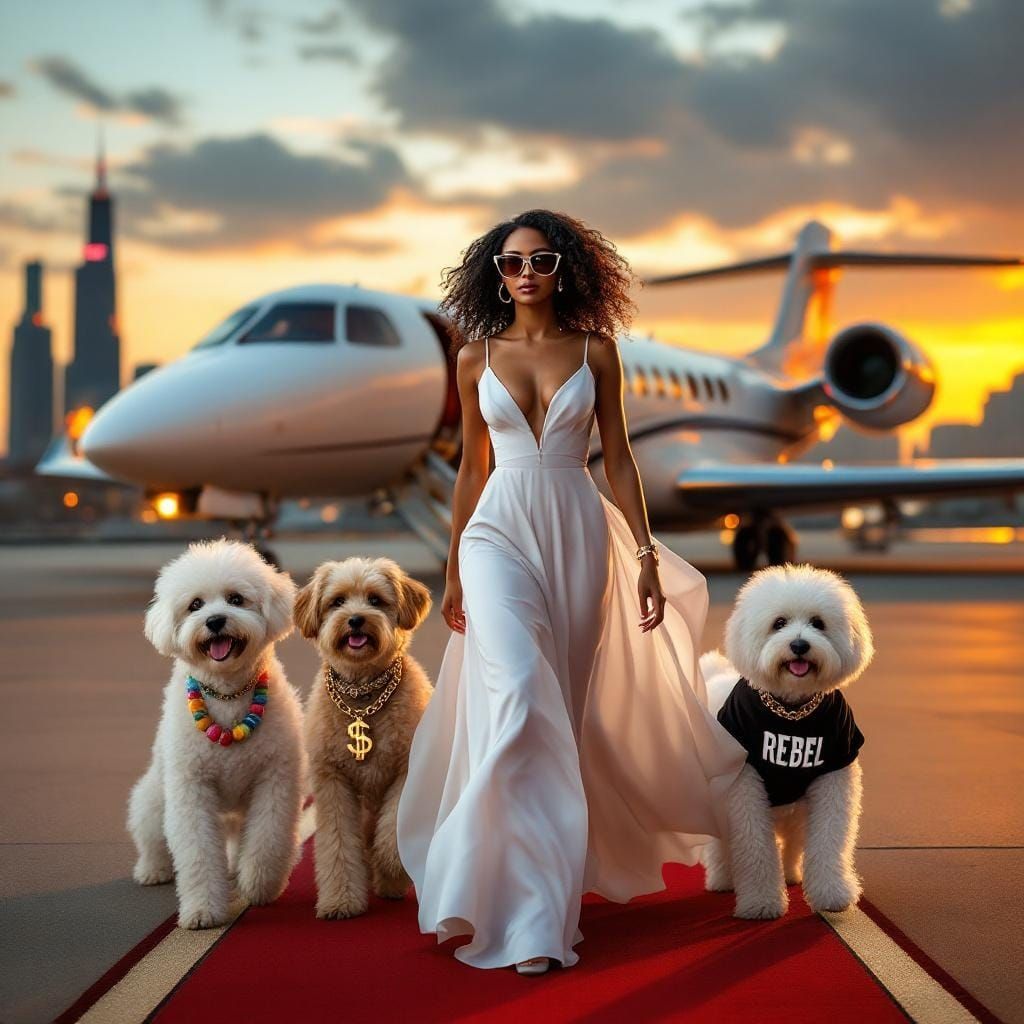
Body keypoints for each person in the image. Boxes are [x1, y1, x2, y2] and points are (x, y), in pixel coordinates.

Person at [395, 209, 746, 974]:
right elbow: (471, 472)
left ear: (567, 270)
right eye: (511, 262)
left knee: (567, 714)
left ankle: (546, 890)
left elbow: (617, 459)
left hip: (579, 532)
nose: (525, 274)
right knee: (520, 696)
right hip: (497, 535)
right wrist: (455, 565)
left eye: (541, 260)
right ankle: (522, 916)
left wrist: (646, 554)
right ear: (495, 273)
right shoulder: (473, 357)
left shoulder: (598, 352)